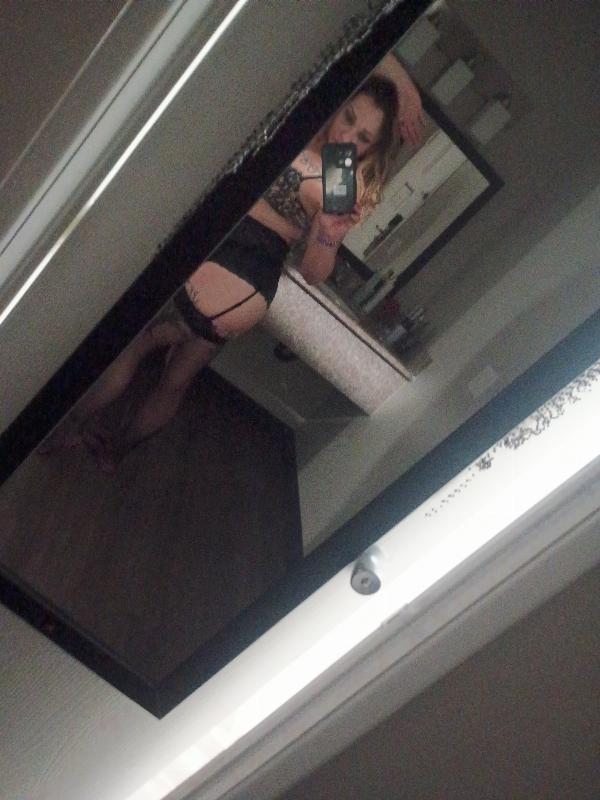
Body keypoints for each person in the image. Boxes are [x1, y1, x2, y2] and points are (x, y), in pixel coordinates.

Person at [41, 58, 424, 472]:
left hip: (223, 260)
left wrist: (329, 233)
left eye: (362, 137)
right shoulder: (334, 164)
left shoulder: (337, 172)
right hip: (248, 291)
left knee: (134, 345)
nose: (346, 135)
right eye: (349, 117)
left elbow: (315, 272)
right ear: (342, 104)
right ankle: (115, 452)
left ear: (372, 149)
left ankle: (62, 433)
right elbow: (355, 51)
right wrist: (405, 88)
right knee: (177, 379)